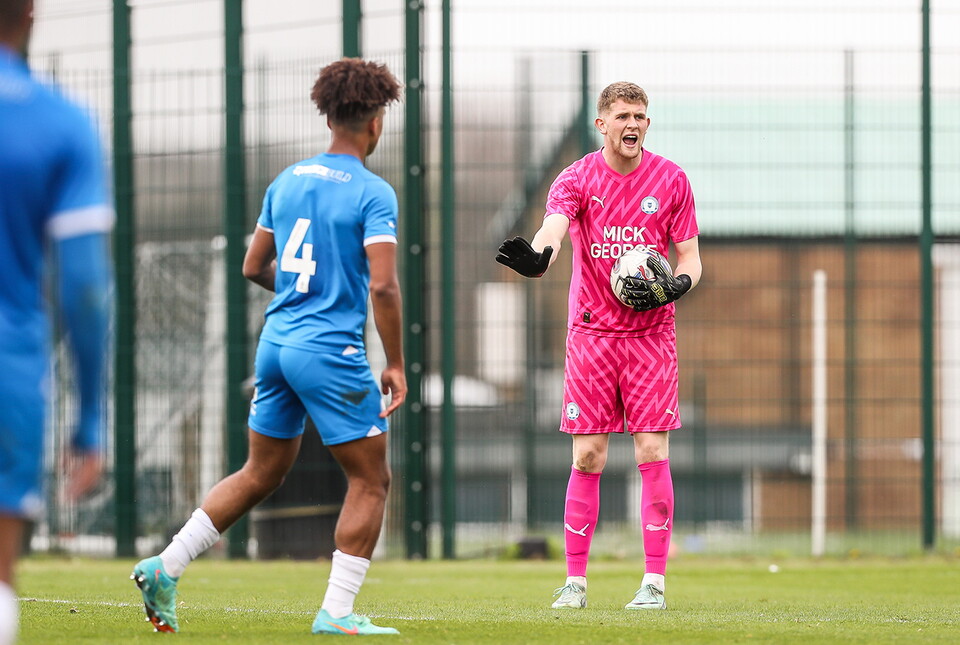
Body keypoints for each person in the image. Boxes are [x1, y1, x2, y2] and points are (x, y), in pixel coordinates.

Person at [131, 58, 406, 636]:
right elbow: (382, 284)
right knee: (370, 480)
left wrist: (306, 291)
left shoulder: (288, 179)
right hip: (331, 353)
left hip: (276, 344)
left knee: (261, 470)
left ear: (328, 114)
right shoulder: (373, 193)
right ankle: (336, 611)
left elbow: (253, 265)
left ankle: (166, 565)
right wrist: (397, 363)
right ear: (376, 121)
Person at [496, 81, 702, 611]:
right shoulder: (578, 178)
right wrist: (540, 256)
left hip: (652, 336)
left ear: (647, 124)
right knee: (587, 455)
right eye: (623, 116)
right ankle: (574, 583)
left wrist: (678, 283)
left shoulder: (672, 180)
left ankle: (654, 582)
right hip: (592, 335)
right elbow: (554, 228)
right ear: (602, 125)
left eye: (641, 116)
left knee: (652, 450)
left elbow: (691, 261)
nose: (633, 124)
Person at [0, 1, 113, 643]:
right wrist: (90, 414)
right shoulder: (60, 124)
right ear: (30, 18)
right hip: (9, 361)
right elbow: (86, 287)